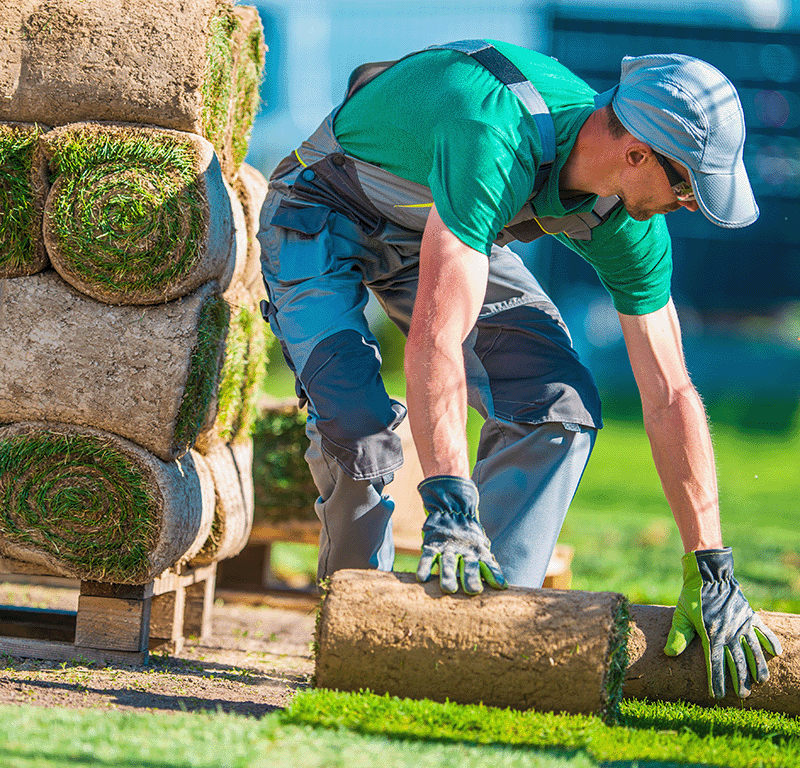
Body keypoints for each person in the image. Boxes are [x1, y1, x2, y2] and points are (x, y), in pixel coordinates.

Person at [256, 40, 782, 700]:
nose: (688, 204)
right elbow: (435, 339)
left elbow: (670, 390)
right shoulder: (494, 132)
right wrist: (447, 499)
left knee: (558, 408)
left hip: (447, 231)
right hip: (321, 211)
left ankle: (471, 643)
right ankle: (362, 645)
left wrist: (712, 565)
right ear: (638, 152)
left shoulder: (627, 220)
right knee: (358, 432)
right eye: (685, 185)